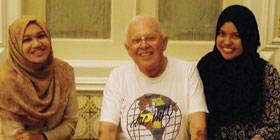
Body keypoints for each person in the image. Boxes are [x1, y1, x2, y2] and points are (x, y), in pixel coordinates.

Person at [98, 15, 208, 140]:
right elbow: (106, 133)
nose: (144, 45)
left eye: (150, 38)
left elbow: (198, 130)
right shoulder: (118, 77)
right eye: (136, 40)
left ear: (164, 42)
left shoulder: (187, 72)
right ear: (128, 49)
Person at [197, 5, 280, 140]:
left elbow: (273, 125)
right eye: (222, 33)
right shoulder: (206, 67)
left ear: (248, 38)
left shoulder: (266, 73)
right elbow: (196, 115)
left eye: (236, 36)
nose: (227, 42)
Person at [0, 16, 79, 140]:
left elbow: (70, 123)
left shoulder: (64, 72)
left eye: (41, 36)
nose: (36, 44)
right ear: (15, 46)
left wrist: (43, 137)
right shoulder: (6, 81)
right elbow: (16, 137)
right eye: (26, 40)